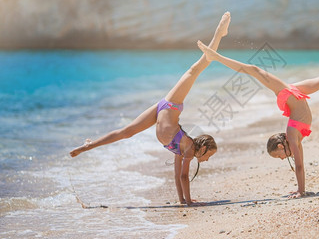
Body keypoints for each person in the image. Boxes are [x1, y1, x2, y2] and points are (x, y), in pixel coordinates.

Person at [70, 12, 231, 206]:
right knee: (195, 69)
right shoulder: (188, 149)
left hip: (161, 109)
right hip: (171, 104)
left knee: (126, 132)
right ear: (203, 148)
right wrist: (190, 203)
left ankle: (89, 146)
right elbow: (184, 177)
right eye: (208, 156)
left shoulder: (183, 150)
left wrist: (182, 200)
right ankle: (219, 33)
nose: (206, 160)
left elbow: (176, 176)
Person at [197, 40, 319, 199]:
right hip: (295, 92)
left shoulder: (292, 135)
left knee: (254, 70)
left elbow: (298, 166)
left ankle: (216, 57)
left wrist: (300, 192)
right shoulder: (295, 140)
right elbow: (300, 165)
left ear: (280, 145)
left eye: (279, 155)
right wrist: (301, 189)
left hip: (286, 93)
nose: (282, 158)